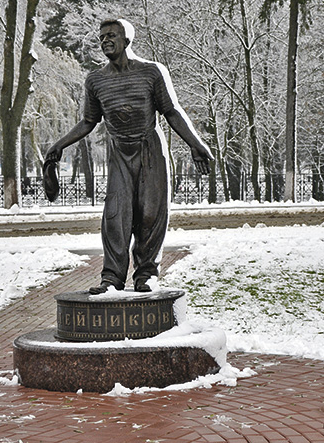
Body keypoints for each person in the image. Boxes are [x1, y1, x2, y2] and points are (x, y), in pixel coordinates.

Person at [45, 18, 213, 294]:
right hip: (120, 152)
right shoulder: (96, 80)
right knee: (116, 215)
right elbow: (88, 122)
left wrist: (196, 144)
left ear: (127, 40)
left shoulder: (151, 72)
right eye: (101, 38)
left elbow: (172, 111)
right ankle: (111, 277)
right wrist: (60, 144)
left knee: (150, 214)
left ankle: (146, 274)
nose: (105, 41)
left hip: (150, 149)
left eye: (111, 35)